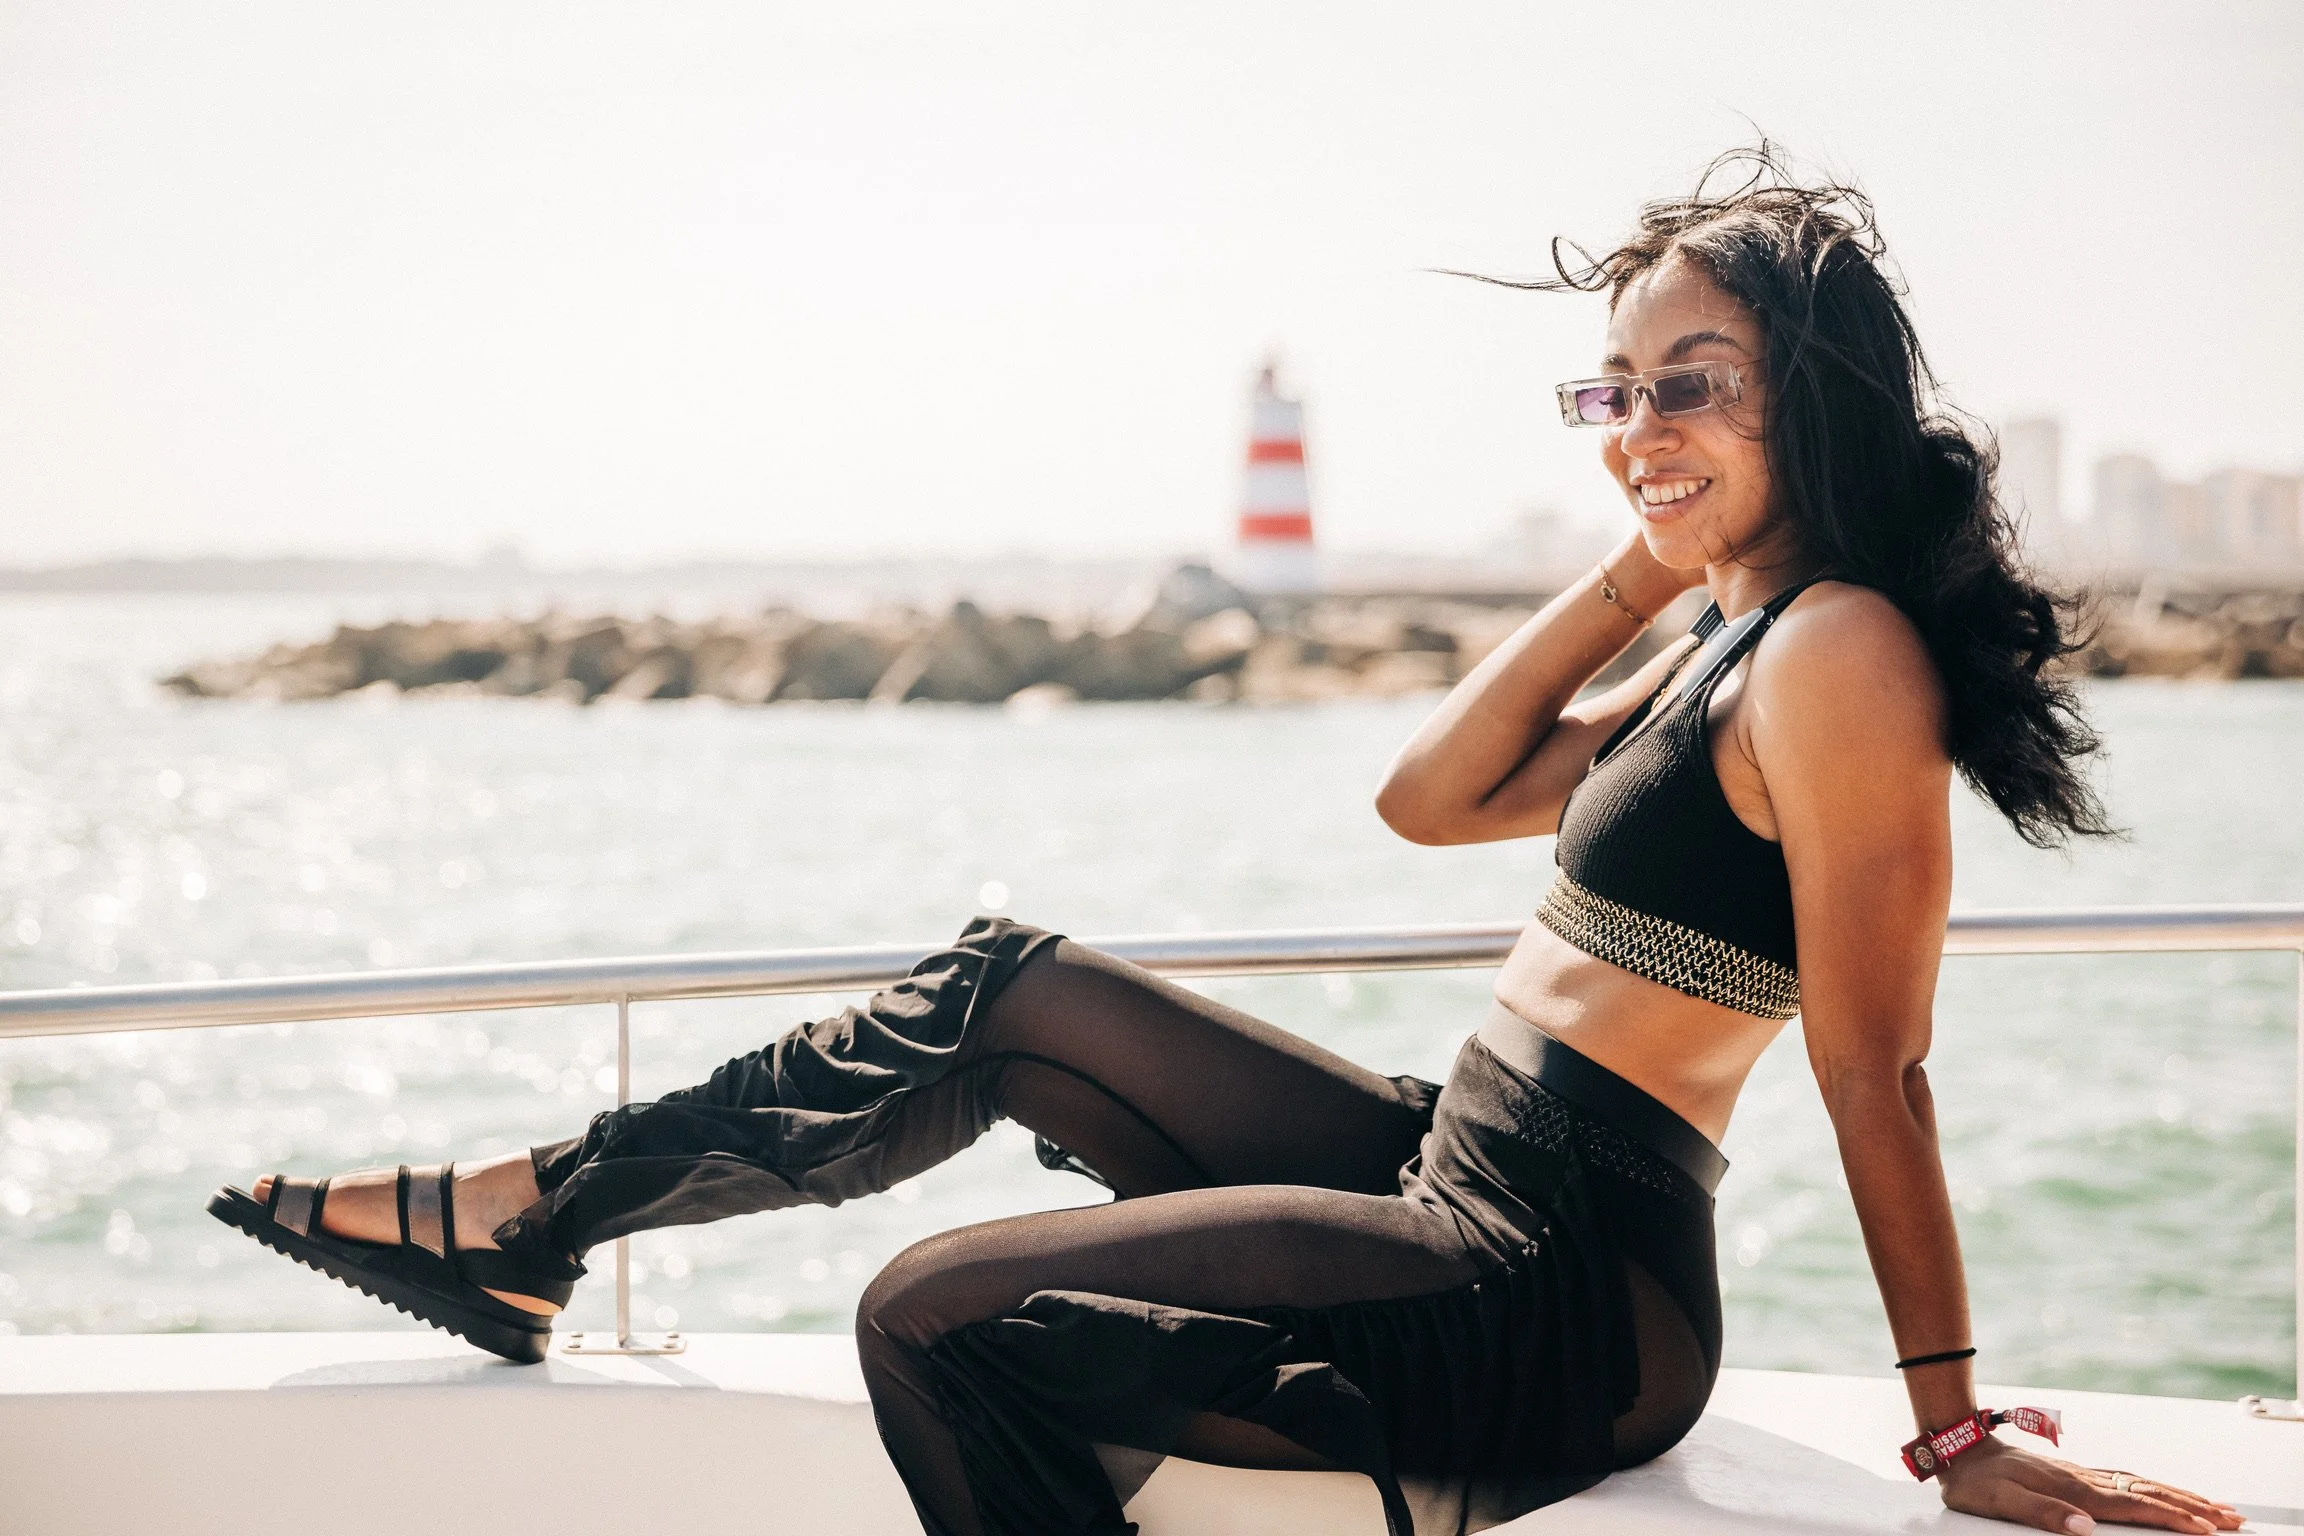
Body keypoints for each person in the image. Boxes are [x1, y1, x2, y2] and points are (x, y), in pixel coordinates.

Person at [208, 148, 2240, 1536]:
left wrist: (1954, 1426)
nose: (1637, 428)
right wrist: (1650, 551)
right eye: (1611, 394)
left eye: (1688, 388)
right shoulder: (1735, 634)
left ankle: (521, 1229)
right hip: (1449, 1161)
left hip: (1557, 1287)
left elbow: (1878, 1065)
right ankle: (530, 1225)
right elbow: (1429, 797)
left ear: (1818, 391)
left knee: (934, 1316)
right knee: (1015, 986)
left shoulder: (1839, 653)